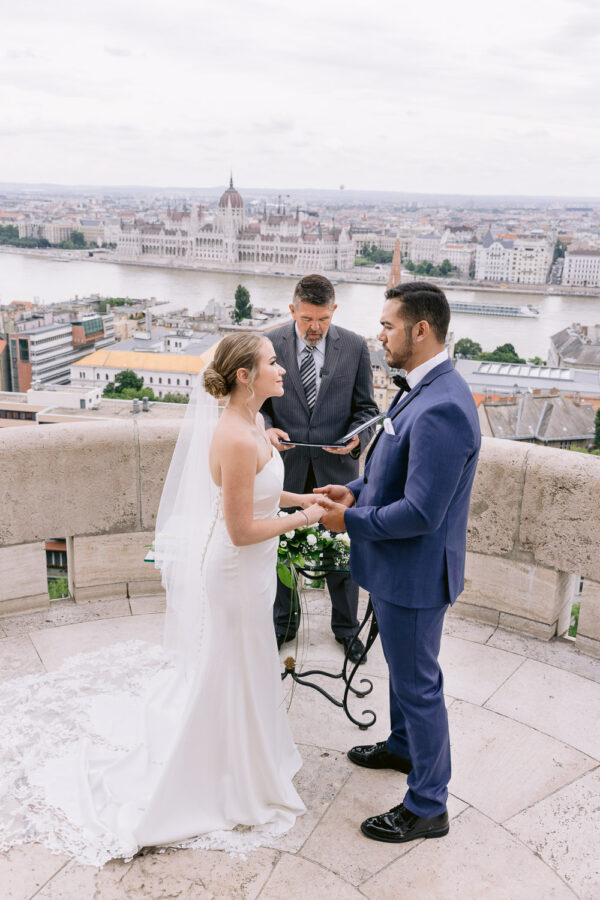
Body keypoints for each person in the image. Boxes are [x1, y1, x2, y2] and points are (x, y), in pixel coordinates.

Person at [0, 333, 324, 866]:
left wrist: (300, 497)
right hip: (234, 571)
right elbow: (241, 528)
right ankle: (222, 773)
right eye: (272, 362)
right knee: (232, 664)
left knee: (248, 662)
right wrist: (309, 518)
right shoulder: (236, 437)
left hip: (253, 573)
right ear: (245, 375)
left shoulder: (255, 425)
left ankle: (247, 758)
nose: (283, 369)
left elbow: (259, 492)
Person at [314, 282, 481, 844]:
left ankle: (429, 804)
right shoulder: (421, 387)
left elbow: (421, 513)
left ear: (421, 330)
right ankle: (404, 747)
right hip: (395, 569)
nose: (379, 335)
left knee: (418, 684)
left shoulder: (443, 406)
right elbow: (392, 468)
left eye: (387, 326)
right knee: (405, 676)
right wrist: (355, 492)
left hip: (414, 574)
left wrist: (349, 523)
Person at [261, 274, 379, 663]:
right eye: (307, 318)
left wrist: (355, 438)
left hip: (338, 472)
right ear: (292, 309)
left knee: (343, 556)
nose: (315, 328)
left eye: (323, 319)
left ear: (334, 311)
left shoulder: (356, 347)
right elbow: (255, 405)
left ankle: (346, 630)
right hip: (285, 469)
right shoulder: (268, 344)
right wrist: (267, 430)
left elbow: (367, 410)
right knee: (281, 549)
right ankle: (284, 625)